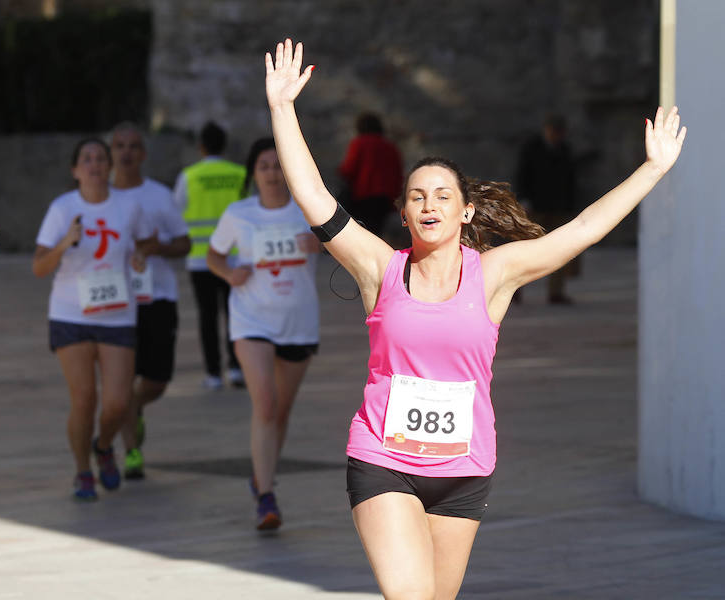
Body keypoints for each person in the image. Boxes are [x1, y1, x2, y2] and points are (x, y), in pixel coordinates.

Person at [265, 39, 685, 598]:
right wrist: (282, 108)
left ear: (465, 211)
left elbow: (581, 230)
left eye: (442, 195)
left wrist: (652, 170)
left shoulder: (493, 274)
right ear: (404, 212)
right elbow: (314, 196)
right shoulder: (379, 268)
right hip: (383, 458)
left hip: (463, 469)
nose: (429, 204)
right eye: (417, 197)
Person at [206, 137, 321, 530]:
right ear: (253, 174)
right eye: (264, 166)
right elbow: (214, 255)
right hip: (251, 320)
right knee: (266, 405)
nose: (272, 174)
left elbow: (347, 246)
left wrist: (322, 244)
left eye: (278, 166)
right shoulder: (238, 213)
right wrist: (228, 273)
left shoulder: (309, 210)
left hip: (298, 323)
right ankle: (267, 497)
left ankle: (262, 475)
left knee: (280, 411)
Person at [33, 138, 153, 501]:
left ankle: (103, 446)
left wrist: (140, 256)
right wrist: (64, 243)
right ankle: (83, 470)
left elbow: (147, 240)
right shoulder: (62, 208)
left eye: (100, 158)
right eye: (86, 159)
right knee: (84, 399)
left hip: (117, 313)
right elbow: (39, 267)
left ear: (110, 166)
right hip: (71, 313)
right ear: (75, 170)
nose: (94, 164)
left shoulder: (128, 206)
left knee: (118, 402)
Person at [109, 122, 190, 480]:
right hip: (115, 301)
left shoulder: (159, 195)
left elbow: (185, 243)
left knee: (156, 381)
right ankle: (131, 451)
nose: (126, 153)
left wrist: (159, 247)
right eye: (119, 146)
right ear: (112, 152)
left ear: (142, 154)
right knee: (123, 378)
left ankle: (135, 406)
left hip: (157, 297)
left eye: (133, 146)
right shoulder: (99, 195)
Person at [173, 121, 246, 389]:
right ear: (224, 146)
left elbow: (175, 211)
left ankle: (213, 374)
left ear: (201, 147)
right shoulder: (240, 174)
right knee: (234, 314)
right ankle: (236, 369)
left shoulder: (189, 176)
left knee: (207, 316)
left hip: (200, 258)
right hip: (235, 257)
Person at [515, 114, 579, 303]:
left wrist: (570, 206)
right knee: (526, 248)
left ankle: (555, 291)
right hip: (535, 207)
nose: (556, 135)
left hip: (558, 208)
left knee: (559, 250)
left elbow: (570, 181)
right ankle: (515, 288)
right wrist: (524, 200)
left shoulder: (565, 149)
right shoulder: (531, 148)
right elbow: (522, 175)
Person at [338, 112, 404, 237]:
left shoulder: (359, 143)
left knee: (363, 232)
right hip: (385, 198)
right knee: (378, 232)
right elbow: (398, 175)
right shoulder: (390, 146)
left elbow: (348, 170)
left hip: (363, 196)